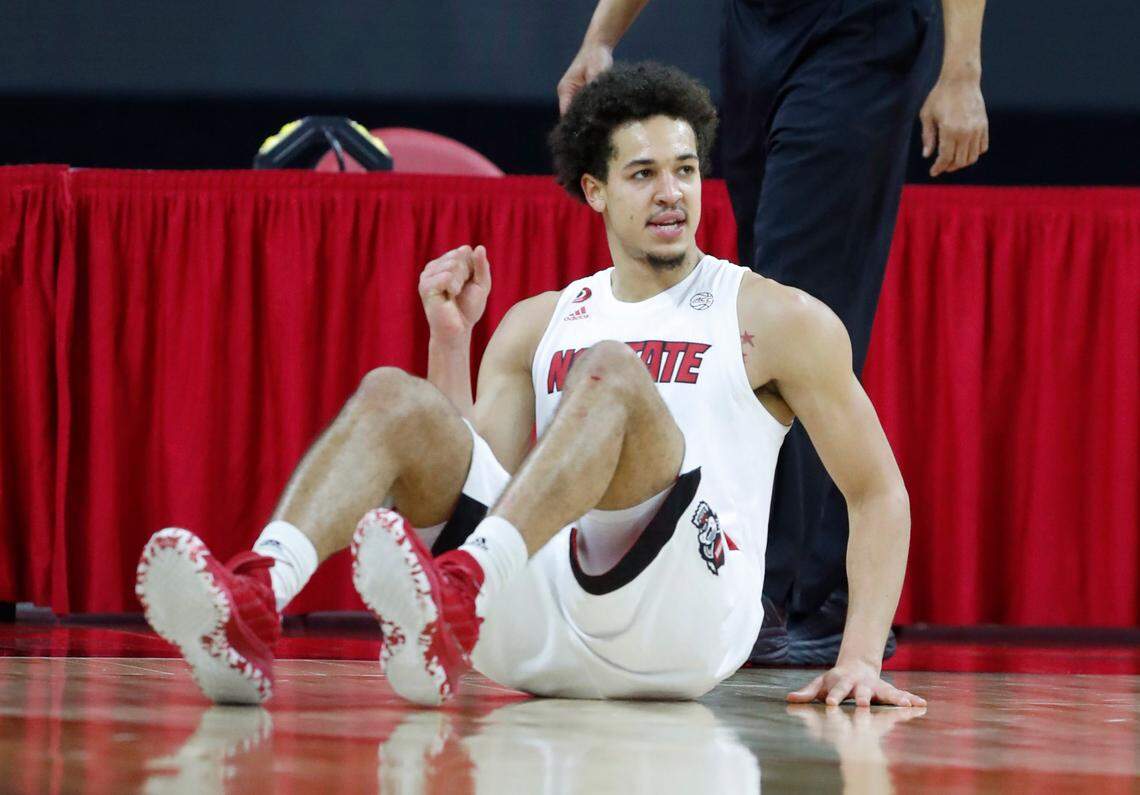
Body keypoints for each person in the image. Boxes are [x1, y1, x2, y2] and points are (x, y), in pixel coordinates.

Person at [136, 63, 924, 710]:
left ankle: (458, 593)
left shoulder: (776, 316)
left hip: (684, 622)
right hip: (533, 627)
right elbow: (473, 477)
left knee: (612, 371)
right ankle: (256, 600)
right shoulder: (537, 321)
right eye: (643, 174)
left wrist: (858, 655)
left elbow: (877, 492)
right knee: (390, 394)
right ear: (594, 191)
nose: (671, 194)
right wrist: (453, 339)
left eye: (684, 171)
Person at [558, 0, 988, 664]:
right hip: (754, 32)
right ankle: (799, 580)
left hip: (859, 31)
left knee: (796, 297)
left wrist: (961, 70)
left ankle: (785, 594)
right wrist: (600, 37)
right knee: (768, 299)